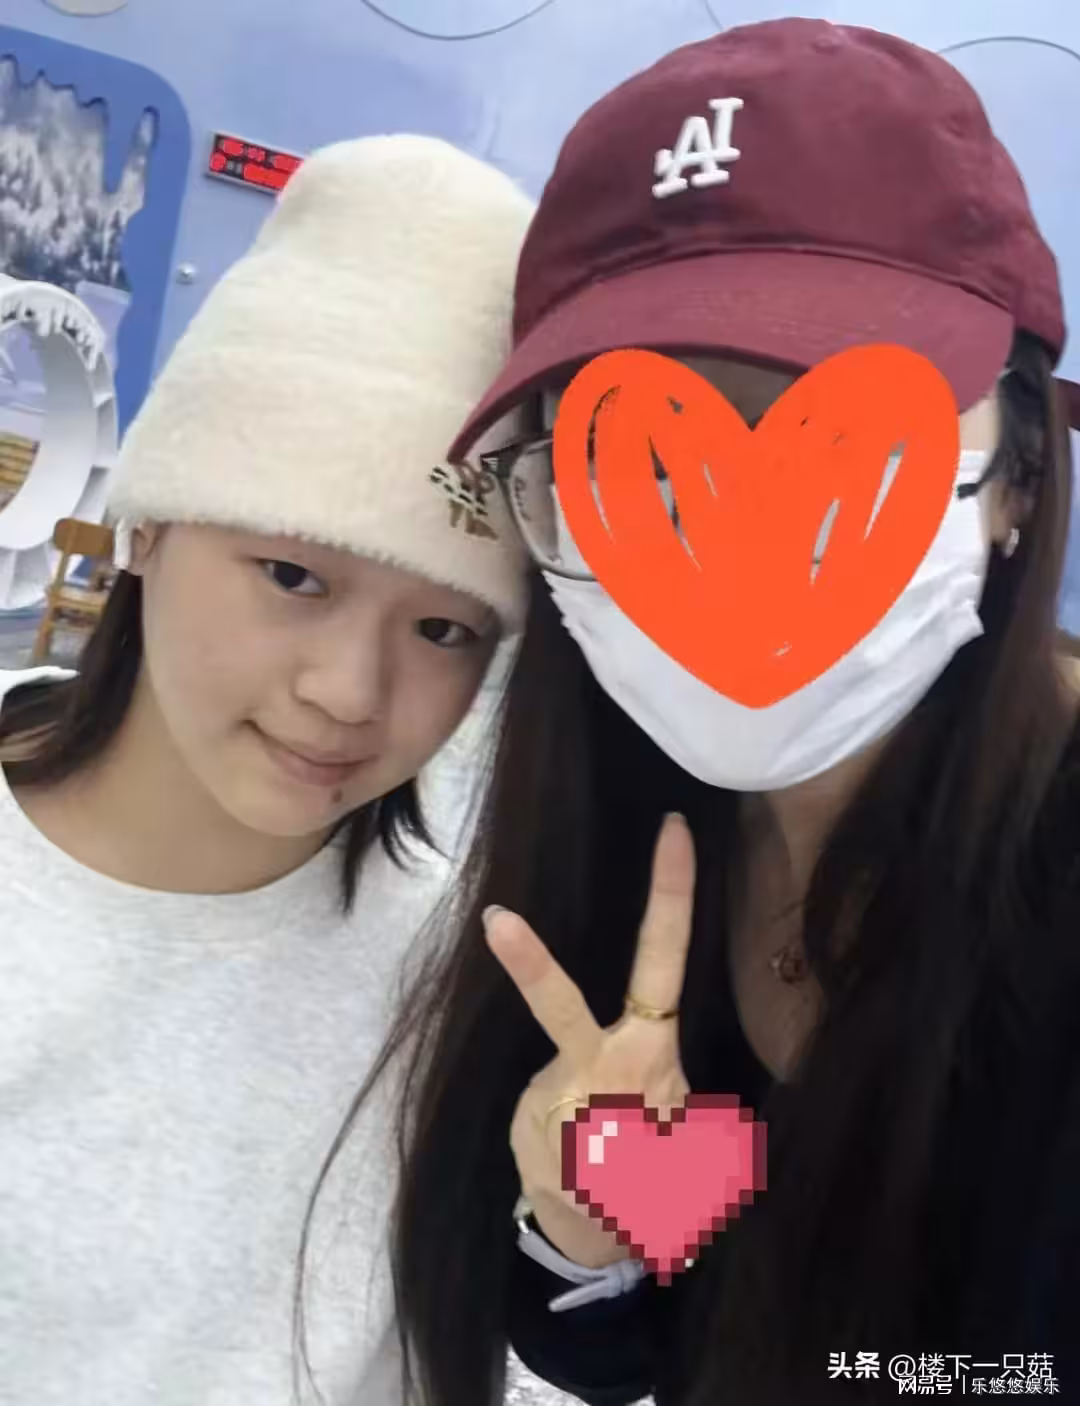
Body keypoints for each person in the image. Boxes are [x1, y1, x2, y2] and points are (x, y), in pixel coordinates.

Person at [316, 22, 1080, 1406]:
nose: (728, 514)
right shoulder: (626, 845)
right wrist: (592, 1232)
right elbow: (661, 1349)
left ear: (1020, 475)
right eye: (640, 444)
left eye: (839, 418)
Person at [0, 135, 533, 1406]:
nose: (350, 691)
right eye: (294, 575)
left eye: (444, 627)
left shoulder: (479, 977)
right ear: (146, 526)